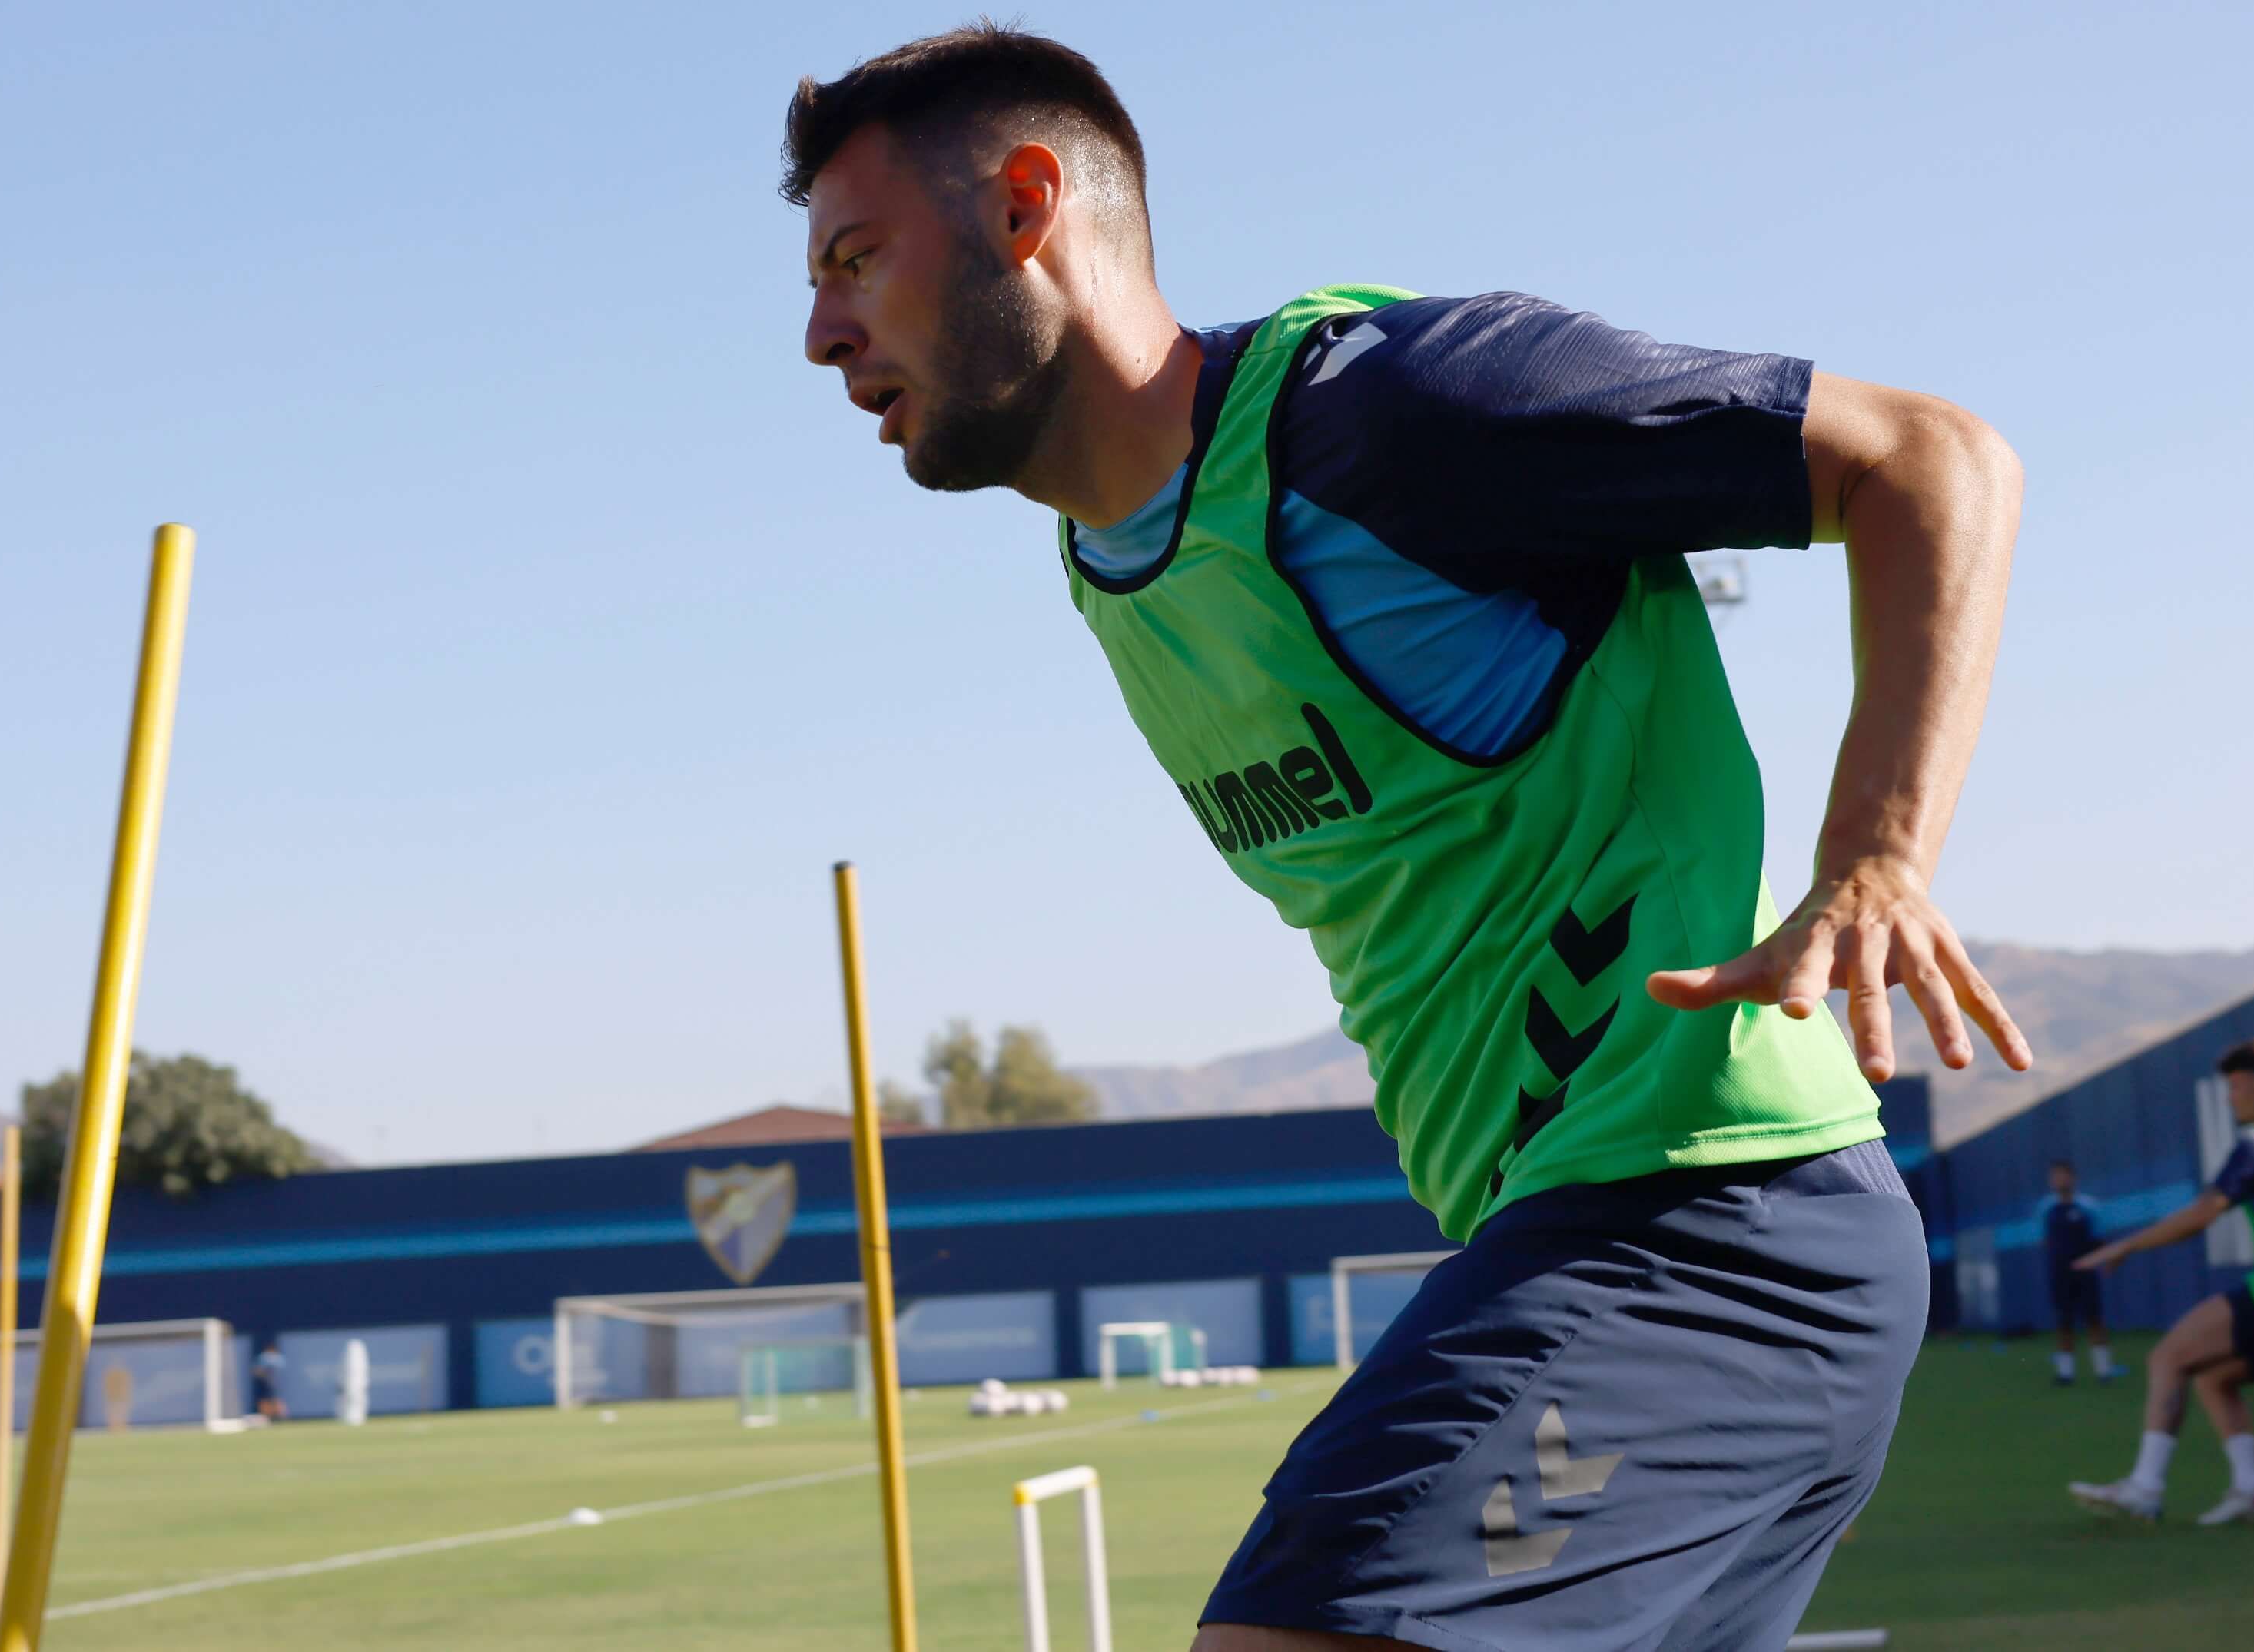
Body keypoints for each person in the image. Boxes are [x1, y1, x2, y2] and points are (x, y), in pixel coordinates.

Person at [783, 26, 2031, 1648]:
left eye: (857, 261)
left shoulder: (1387, 415)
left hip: (1712, 1225)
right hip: (1595, 1236)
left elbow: (1929, 458)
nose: (819, 334)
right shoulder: (1112, 574)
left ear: (1028, 210)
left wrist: (1874, 852)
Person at [2069, 1037, 2254, 1526]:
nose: (2230, 1097)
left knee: (2167, 1357)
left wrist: (2126, 1246)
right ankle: (2253, 1490)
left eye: (2236, 1086)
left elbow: (2203, 1215)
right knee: (2216, 1380)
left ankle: (2145, 1489)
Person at [2040, 1160, 2116, 1386]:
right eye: (2054, 1176)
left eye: (2063, 1176)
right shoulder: (2046, 1208)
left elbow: (2100, 1240)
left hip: (2086, 1273)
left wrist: (2104, 1262)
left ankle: (2104, 1371)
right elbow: (2045, 1240)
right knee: (2063, 1321)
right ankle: (2066, 1373)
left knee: (2094, 1319)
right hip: (2060, 1273)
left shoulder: (2089, 1206)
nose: (2058, 1180)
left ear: (2072, 1178)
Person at [253, 1342, 287, 1423]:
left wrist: (262, 1374)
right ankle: (280, 1418)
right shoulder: (279, 1358)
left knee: (265, 1402)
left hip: (266, 1383)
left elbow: (257, 1371)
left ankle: (268, 1418)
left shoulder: (264, 1357)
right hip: (276, 1383)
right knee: (275, 1400)